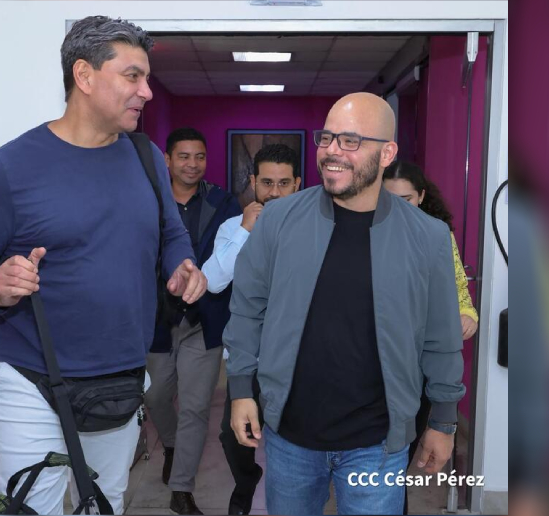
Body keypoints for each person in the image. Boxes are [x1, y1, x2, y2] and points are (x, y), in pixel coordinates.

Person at [0, 16, 207, 515]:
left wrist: (183, 264)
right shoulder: (9, 168)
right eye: (132, 76)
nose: (147, 92)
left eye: (147, 78)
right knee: (32, 508)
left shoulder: (147, 157)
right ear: (84, 75)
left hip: (122, 379)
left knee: (103, 505)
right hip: (31, 380)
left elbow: (172, 233)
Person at [224, 92, 465, 515]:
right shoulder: (278, 220)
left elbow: (442, 336)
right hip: (291, 437)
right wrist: (242, 390)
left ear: (387, 153)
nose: (332, 151)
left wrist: (443, 420)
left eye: (350, 140)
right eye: (327, 137)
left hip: (378, 443)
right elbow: (247, 308)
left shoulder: (427, 237)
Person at [144, 127, 242, 515]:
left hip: (205, 319)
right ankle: (171, 444)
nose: (192, 164)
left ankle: (181, 489)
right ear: (167, 160)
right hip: (158, 318)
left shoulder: (223, 202)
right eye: (184, 156)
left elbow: (232, 255)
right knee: (155, 396)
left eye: (199, 156)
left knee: (196, 407)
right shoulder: (150, 201)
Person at [202, 143, 301, 515]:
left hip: (298, 353)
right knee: (233, 436)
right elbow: (213, 282)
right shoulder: (233, 227)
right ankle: (247, 481)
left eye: (284, 183)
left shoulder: (312, 227)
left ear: (298, 184)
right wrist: (246, 230)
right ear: (253, 182)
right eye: (267, 183)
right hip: (249, 355)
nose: (274, 192)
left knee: (294, 433)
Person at [382, 160, 478, 514]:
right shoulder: (367, 232)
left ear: (421, 197)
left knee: (399, 453)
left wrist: (468, 315)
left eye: (406, 199)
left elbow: (458, 291)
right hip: (375, 361)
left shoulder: (437, 236)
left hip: (418, 364)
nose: (398, 208)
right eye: (389, 199)